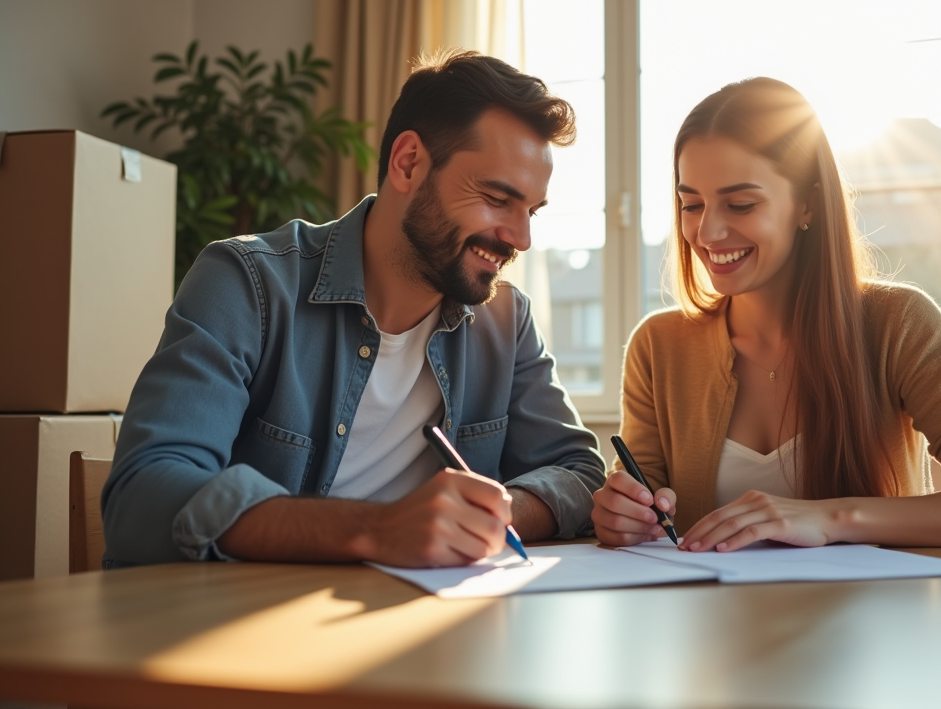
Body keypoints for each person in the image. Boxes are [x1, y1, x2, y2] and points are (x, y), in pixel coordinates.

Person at [103, 50, 605, 568]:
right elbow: (143, 499)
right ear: (408, 163)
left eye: (531, 211)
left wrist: (496, 512)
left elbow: (578, 472)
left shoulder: (504, 323)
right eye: (498, 199)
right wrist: (378, 529)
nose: (520, 238)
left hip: (418, 624)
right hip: (240, 625)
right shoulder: (246, 284)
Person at [592, 78, 941, 552]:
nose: (708, 231)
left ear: (808, 204)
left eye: (741, 204)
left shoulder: (898, 324)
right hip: (716, 624)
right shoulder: (658, 345)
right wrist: (623, 515)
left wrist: (830, 517)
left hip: (874, 620)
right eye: (691, 204)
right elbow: (641, 500)